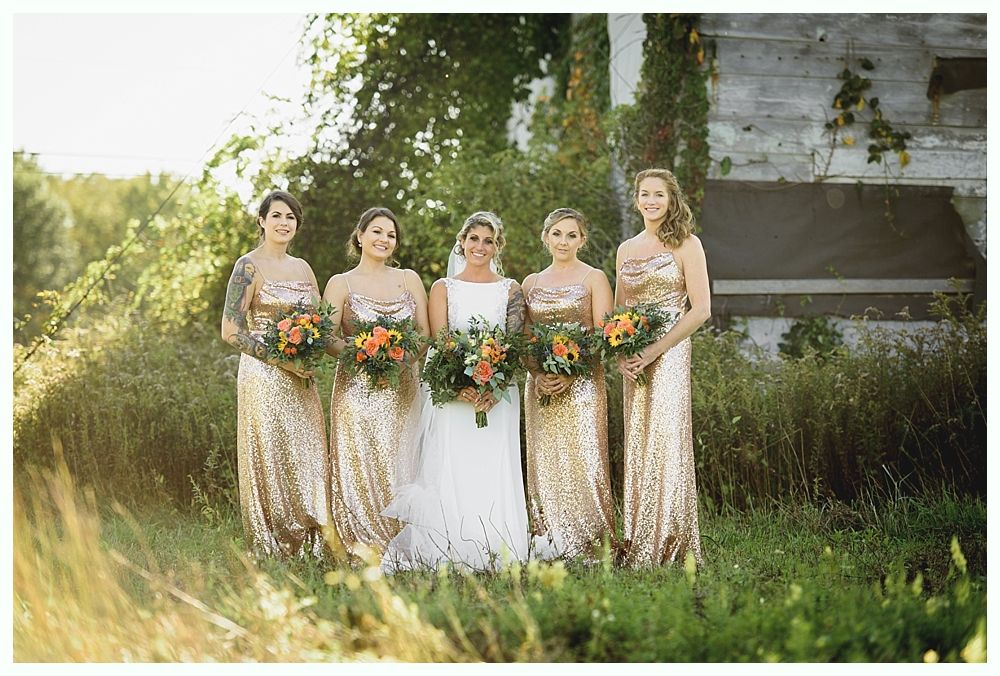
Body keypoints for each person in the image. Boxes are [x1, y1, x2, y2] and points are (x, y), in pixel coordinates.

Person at [382, 211, 530, 571]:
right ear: (462, 242)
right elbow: (441, 341)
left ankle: (498, 546)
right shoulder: (442, 288)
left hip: (499, 396)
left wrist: (494, 388)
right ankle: (451, 547)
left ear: (497, 246)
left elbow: (513, 344)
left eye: (489, 240)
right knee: (454, 465)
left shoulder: (510, 289)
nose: (480, 246)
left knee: (495, 464)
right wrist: (462, 386)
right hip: (454, 396)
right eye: (474, 238)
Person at [220, 190, 330, 558]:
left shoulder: (303, 268)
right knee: (271, 452)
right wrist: (282, 360)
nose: (284, 223)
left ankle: (313, 540)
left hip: (303, 377)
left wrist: (314, 352)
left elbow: (321, 322)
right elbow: (231, 330)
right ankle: (275, 542)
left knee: (308, 451)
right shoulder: (247, 266)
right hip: (265, 376)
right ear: (262, 221)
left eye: (291, 218)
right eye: (277, 216)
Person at [615, 168, 711, 567]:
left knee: (666, 441)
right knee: (638, 442)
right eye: (644, 194)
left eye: (659, 194)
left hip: (668, 353)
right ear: (636, 199)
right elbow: (619, 311)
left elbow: (702, 310)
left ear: (672, 199)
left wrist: (655, 350)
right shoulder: (625, 248)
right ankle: (639, 539)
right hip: (633, 357)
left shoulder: (687, 244)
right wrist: (621, 354)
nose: (651, 200)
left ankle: (671, 541)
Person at [322, 207, 430, 556]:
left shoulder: (409, 279)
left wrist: (400, 362)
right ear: (360, 235)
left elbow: (425, 333)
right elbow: (327, 338)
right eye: (377, 232)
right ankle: (362, 545)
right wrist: (362, 357)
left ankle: (404, 543)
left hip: (402, 387)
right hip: (356, 390)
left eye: (391, 235)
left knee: (403, 462)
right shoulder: (341, 283)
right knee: (360, 463)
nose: (384, 239)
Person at [521, 208, 616, 559]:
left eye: (571, 235)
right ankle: (547, 540)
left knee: (584, 460)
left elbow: (603, 334)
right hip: (541, 387)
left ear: (582, 240)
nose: (563, 241)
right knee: (545, 461)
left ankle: (591, 543)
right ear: (545, 237)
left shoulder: (594, 278)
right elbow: (525, 338)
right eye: (557, 234)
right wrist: (538, 372)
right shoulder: (530, 283)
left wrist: (570, 371)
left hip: (583, 385)